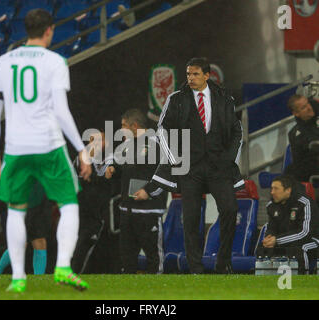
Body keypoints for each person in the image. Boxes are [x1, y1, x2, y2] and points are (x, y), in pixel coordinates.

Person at [0, 9, 92, 293]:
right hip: (48, 145)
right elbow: (61, 110)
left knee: (15, 211)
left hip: (16, 149)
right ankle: (63, 268)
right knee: (69, 204)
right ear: (50, 31)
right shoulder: (56, 61)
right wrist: (82, 149)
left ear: (26, 29)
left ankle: (18, 278)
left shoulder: (3, 61)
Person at [149, 57, 244, 274]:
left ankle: (223, 261)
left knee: (230, 209)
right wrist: (174, 160)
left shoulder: (224, 98)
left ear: (207, 75)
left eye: (195, 74)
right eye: (188, 74)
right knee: (190, 219)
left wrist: (230, 160)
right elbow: (162, 129)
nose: (190, 78)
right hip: (189, 168)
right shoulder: (177, 98)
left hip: (219, 166)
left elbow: (237, 130)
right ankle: (196, 268)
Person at [105, 109, 168, 274]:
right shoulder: (127, 145)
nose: (121, 130)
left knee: (153, 256)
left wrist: (148, 191)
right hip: (127, 209)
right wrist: (112, 169)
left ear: (135, 126)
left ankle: (158, 289)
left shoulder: (157, 143)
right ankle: (128, 290)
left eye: (124, 126)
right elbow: (121, 166)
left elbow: (167, 172)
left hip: (149, 210)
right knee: (127, 257)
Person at [71, 130, 114, 274]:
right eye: (92, 141)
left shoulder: (109, 159)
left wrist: (111, 170)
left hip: (101, 211)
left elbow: (110, 175)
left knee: (96, 242)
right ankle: (73, 272)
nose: (95, 144)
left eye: (99, 141)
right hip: (82, 210)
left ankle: (96, 272)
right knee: (82, 241)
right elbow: (86, 178)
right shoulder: (82, 159)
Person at [0, 182, 53, 275]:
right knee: (20, 242)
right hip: (23, 197)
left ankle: (39, 278)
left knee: (40, 240)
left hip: (42, 198)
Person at [263, 175, 319, 274]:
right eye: (271, 188)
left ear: (288, 190)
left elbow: (304, 233)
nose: (272, 192)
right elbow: (271, 227)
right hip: (284, 241)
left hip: (312, 240)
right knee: (263, 249)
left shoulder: (304, 203)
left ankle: (302, 282)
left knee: (299, 249)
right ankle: (266, 284)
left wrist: (277, 240)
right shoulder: (271, 205)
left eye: (276, 189)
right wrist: (269, 238)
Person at [285, 94, 319, 182]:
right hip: (313, 165)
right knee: (290, 171)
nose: (309, 108)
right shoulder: (295, 134)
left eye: (308, 104)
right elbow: (299, 162)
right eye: (303, 107)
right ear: (296, 113)